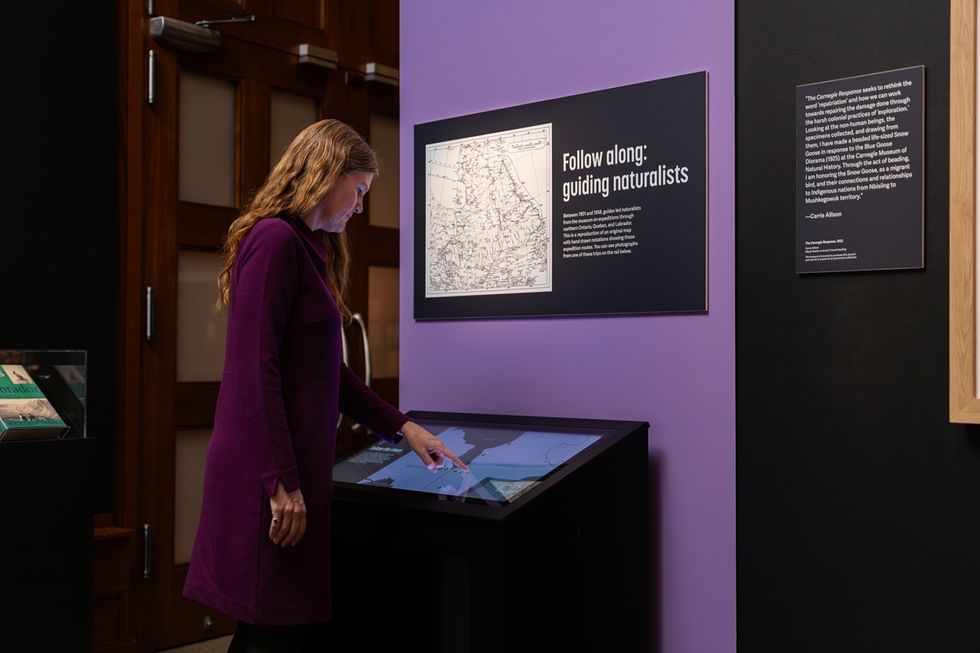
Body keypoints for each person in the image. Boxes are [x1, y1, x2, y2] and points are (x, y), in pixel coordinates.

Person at [183, 118, 468, 652]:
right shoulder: (273, 241)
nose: (360, 207)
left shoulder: (308, 247)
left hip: (288, 467)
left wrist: (404, 427)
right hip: (267, 469)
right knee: (273, 625)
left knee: (271, 626)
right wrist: (280, 483)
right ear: (325, 173)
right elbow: (253, 369)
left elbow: (327, 375)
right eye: (358, 190)